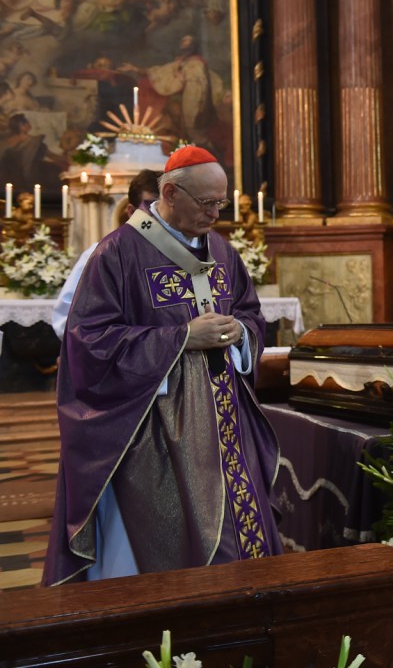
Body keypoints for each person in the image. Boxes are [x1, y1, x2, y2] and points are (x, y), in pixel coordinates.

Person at [43, 146, 283, 585]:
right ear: (170, 193)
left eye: (221, 203)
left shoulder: (223, 251)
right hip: (152, 431)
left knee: (243, 539)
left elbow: (250, 312)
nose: (215, 214)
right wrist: (182, 338)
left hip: (228, 422)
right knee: (166, 558)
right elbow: (88, 341)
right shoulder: (117, 253)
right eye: (206, 203)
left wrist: (240, 333)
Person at [51, 169, 161, 338]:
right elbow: (67, 321)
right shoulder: (104, 253)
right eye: (151, 209)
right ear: (131, 212)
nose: (160, 219)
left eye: (165, 210)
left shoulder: (188, 255)